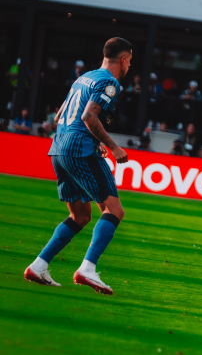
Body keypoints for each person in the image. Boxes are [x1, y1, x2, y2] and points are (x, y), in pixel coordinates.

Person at [23, 37, 133, 295]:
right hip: (80, 150)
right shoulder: (110, 82)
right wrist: (113, 146)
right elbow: (88, 116)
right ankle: (88, 269)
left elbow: (61, 114)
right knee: (114, 210)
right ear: (124, 60)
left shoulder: (85, 77)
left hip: (59, 148)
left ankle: (38, 266)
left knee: (81, 215)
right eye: (131, 61)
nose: (130, 66)